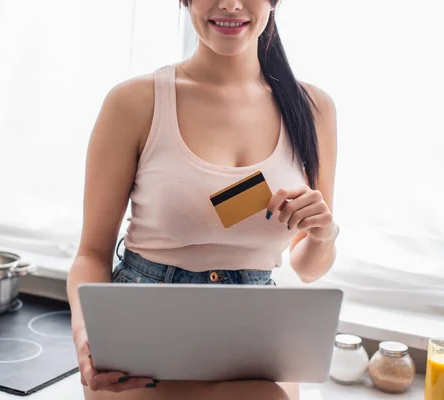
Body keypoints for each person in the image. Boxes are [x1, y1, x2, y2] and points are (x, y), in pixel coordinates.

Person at [67, 0, 339, 398]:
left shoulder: (313, 110)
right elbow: (90, 253)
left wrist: (324, 234)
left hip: (256, 334)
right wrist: (85, 335)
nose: (230, 4)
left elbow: (309, 269)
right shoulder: (134, 102)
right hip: (144, 324)